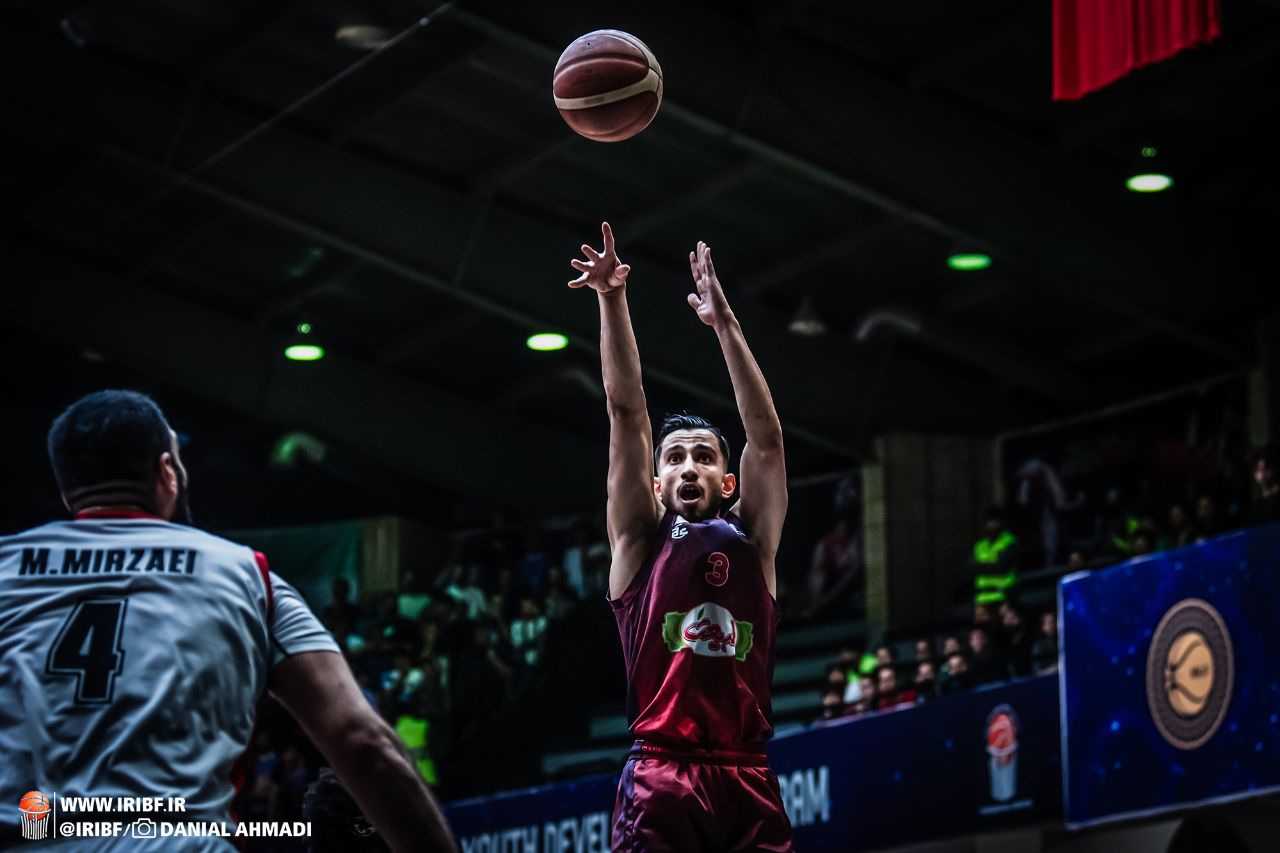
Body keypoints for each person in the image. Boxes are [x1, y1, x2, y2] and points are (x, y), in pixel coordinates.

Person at [0, 390, 455, 852]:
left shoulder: (5, 566)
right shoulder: (246, 575)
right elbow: (363, 743)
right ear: (167, 471)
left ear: (67, 493)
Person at [571, 224, 793, 850]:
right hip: (663, 774)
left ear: (728, 481)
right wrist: (612, 298)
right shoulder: (639, 541)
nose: (688, 466)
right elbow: (626, 413)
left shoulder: (754, 539)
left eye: (703, 456)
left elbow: (767, 442)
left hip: (748, 775)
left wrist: (726, 326)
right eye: (674, 458)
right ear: (656, 481)